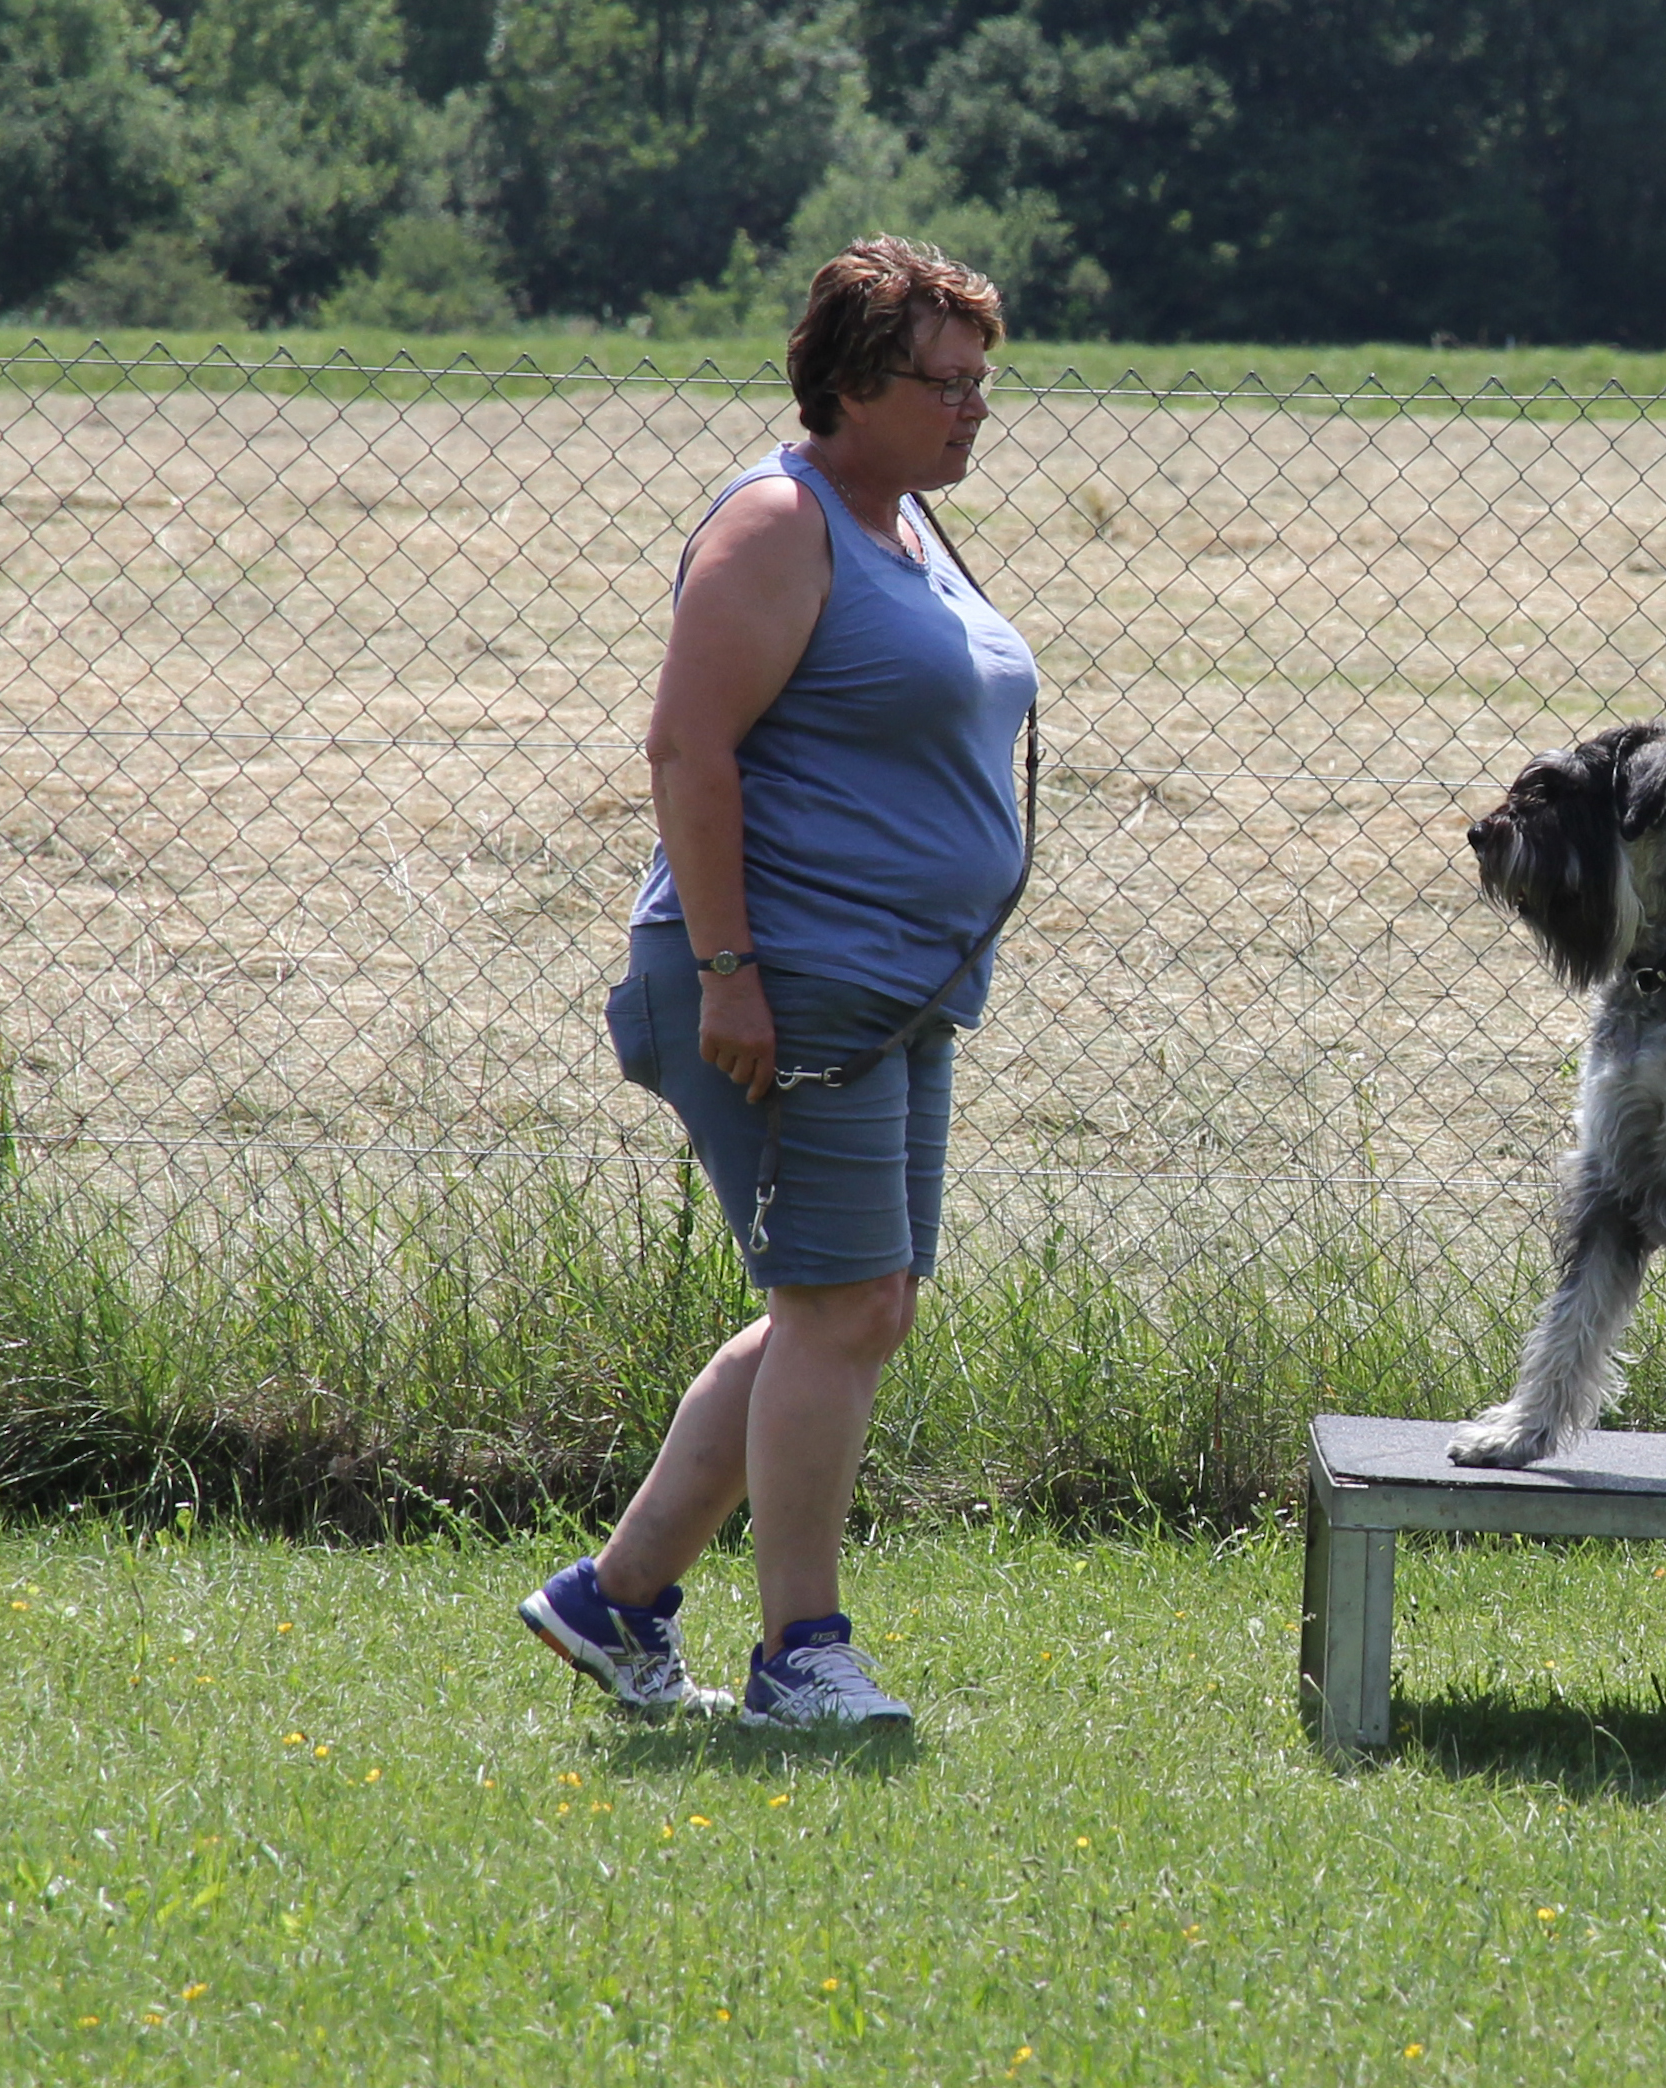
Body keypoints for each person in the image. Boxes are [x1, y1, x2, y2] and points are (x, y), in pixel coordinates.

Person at [519, 238, 1033, 1727]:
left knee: (858, 1305)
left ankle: (614, 1600)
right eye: (946, 382)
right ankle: (800, 1654)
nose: (974, 409)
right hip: (786, 981)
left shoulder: (904, 525)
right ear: (855, 384)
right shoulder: (777, 522)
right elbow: (690, 750)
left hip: (894, 989)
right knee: (840, 1305)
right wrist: (731, 971)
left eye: (982, 382)